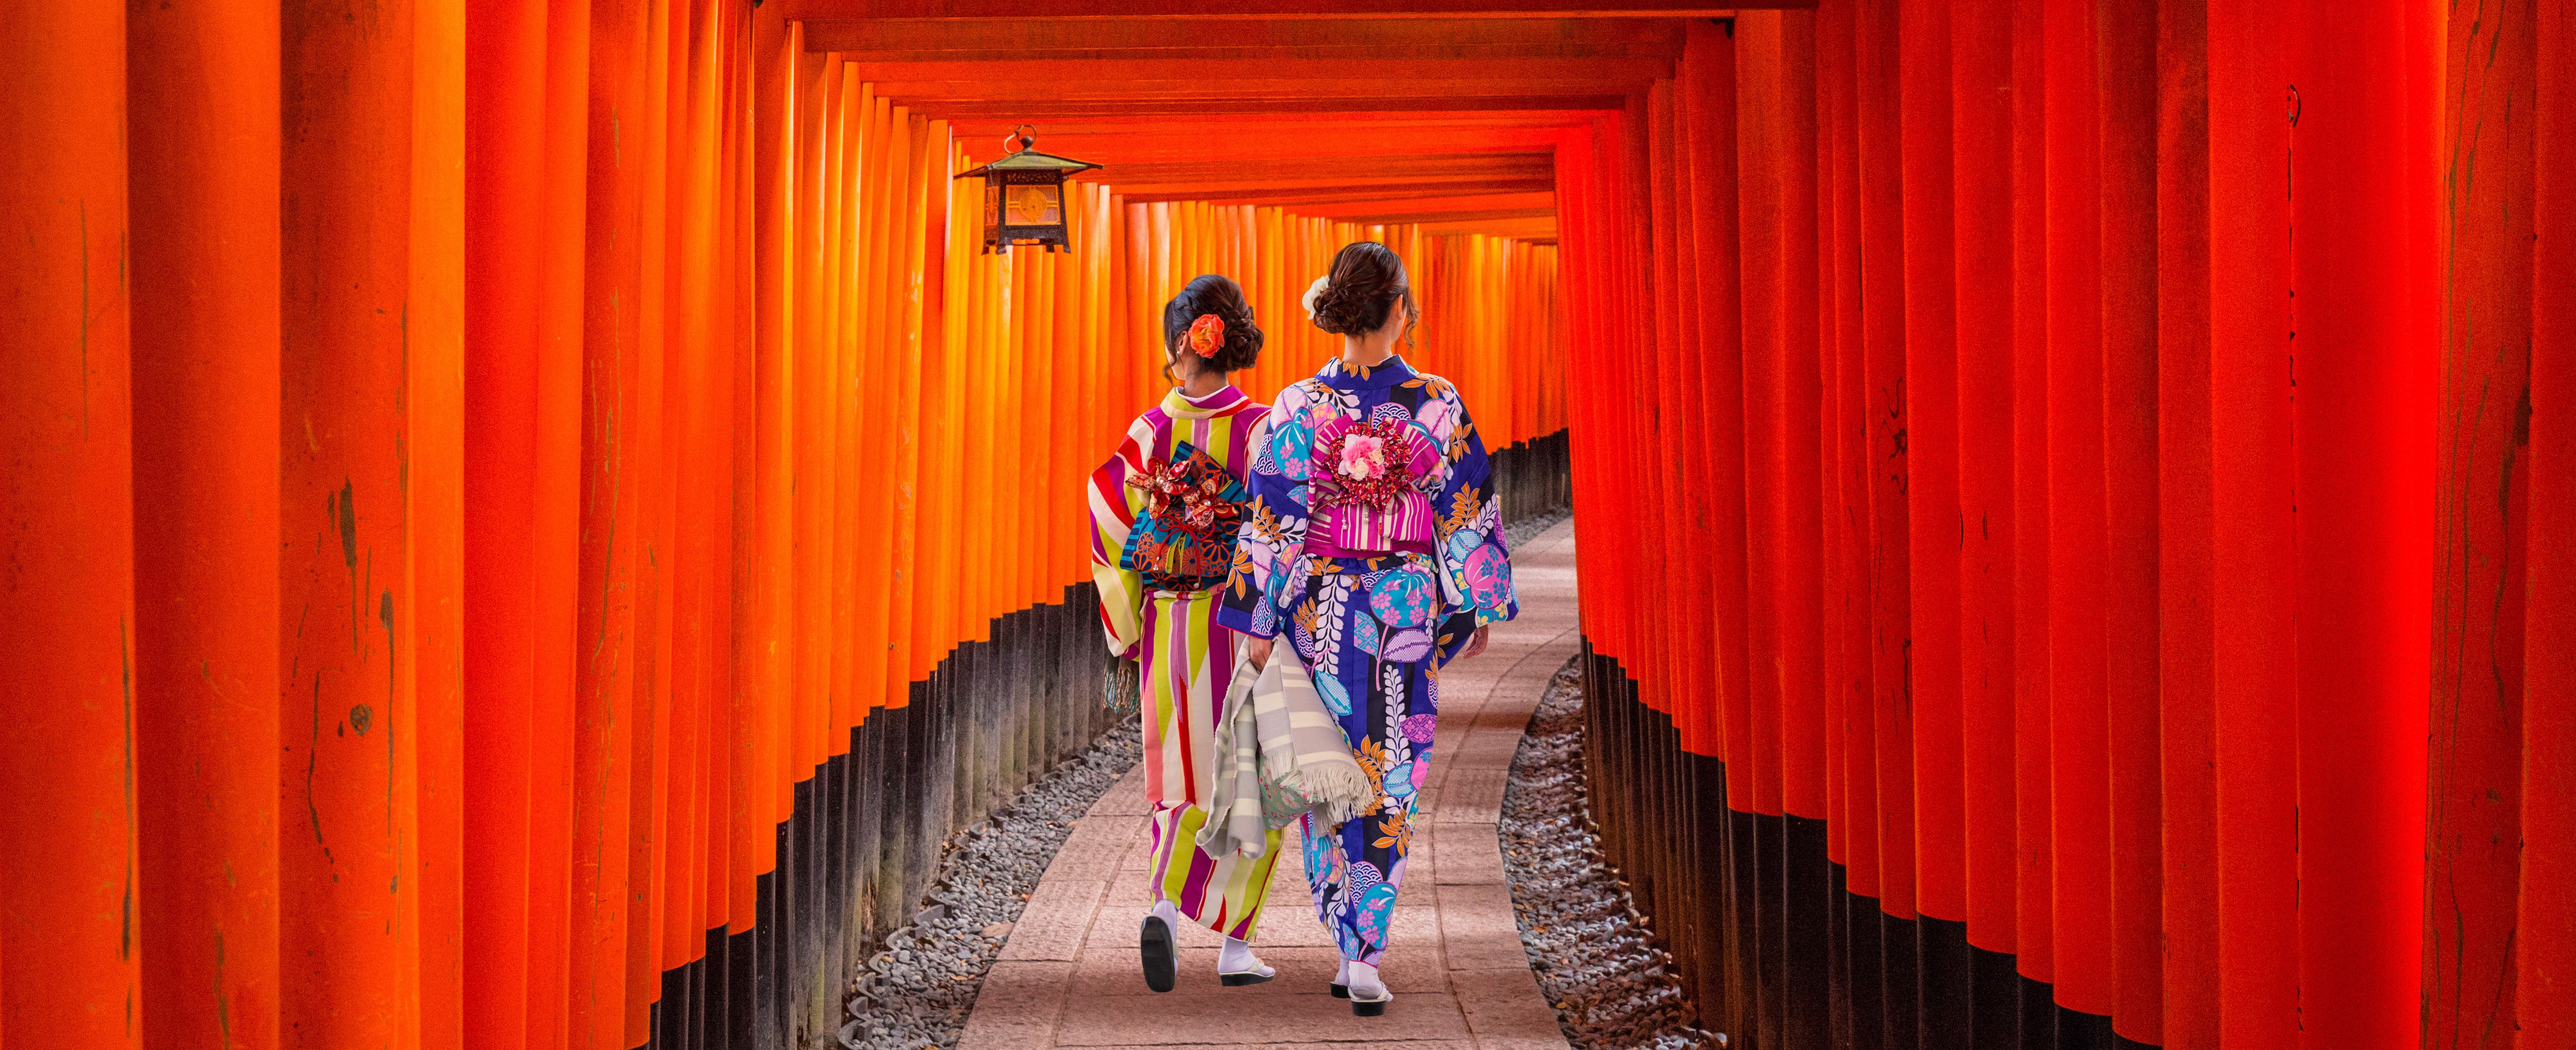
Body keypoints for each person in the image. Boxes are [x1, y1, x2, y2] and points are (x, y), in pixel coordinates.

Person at [1217, 242, 1520, 1017]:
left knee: (1330, 772)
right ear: (1401, 312)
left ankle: (1345, 929)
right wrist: (1477, 598)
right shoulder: (1437, 404)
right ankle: (1363, 951)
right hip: (1402, 611)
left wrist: (1259, 617)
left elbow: (1271, 517)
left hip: (1320, 612)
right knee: (1391, 777)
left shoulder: (1297, 406)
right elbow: (1465, 508)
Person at [1086, 274, 1282, 994]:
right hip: (1239, 623)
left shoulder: (1151, 430)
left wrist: (1127, 618)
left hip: (1170, 619)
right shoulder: (1260, 428)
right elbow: (1278, 527)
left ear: (1182, 344)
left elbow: (1108, 509)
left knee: (1179, 768)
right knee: (1252, 773)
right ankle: (1235, 943)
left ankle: (1165, 906)